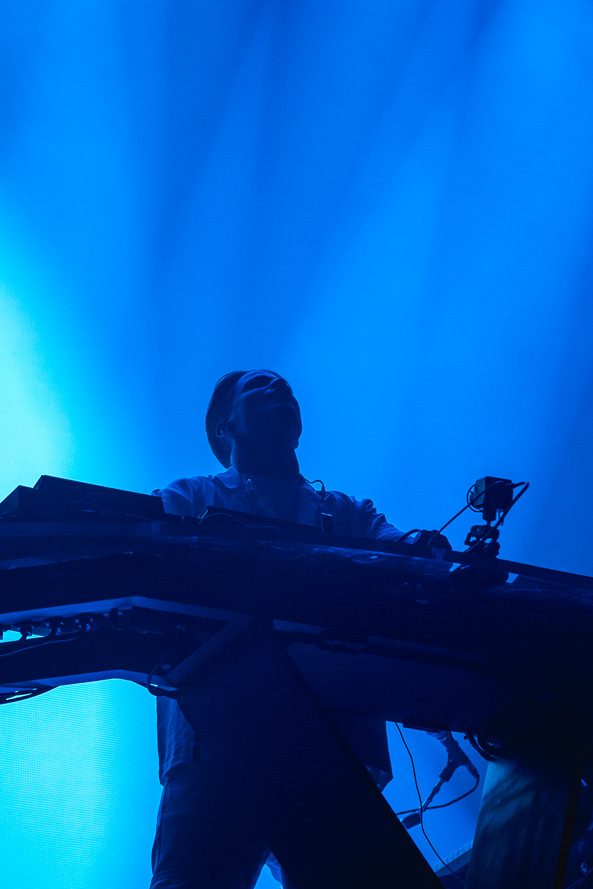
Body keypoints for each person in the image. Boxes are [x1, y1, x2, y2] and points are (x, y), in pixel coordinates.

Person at [149, 370, 415, 889]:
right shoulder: (186, 497)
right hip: (216, 739)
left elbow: (403, 551)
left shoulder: (348, 512)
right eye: (261, 387)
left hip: (337, 745)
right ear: (223, 427)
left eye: (288, 389)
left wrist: (425, 548)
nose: (282, 392)